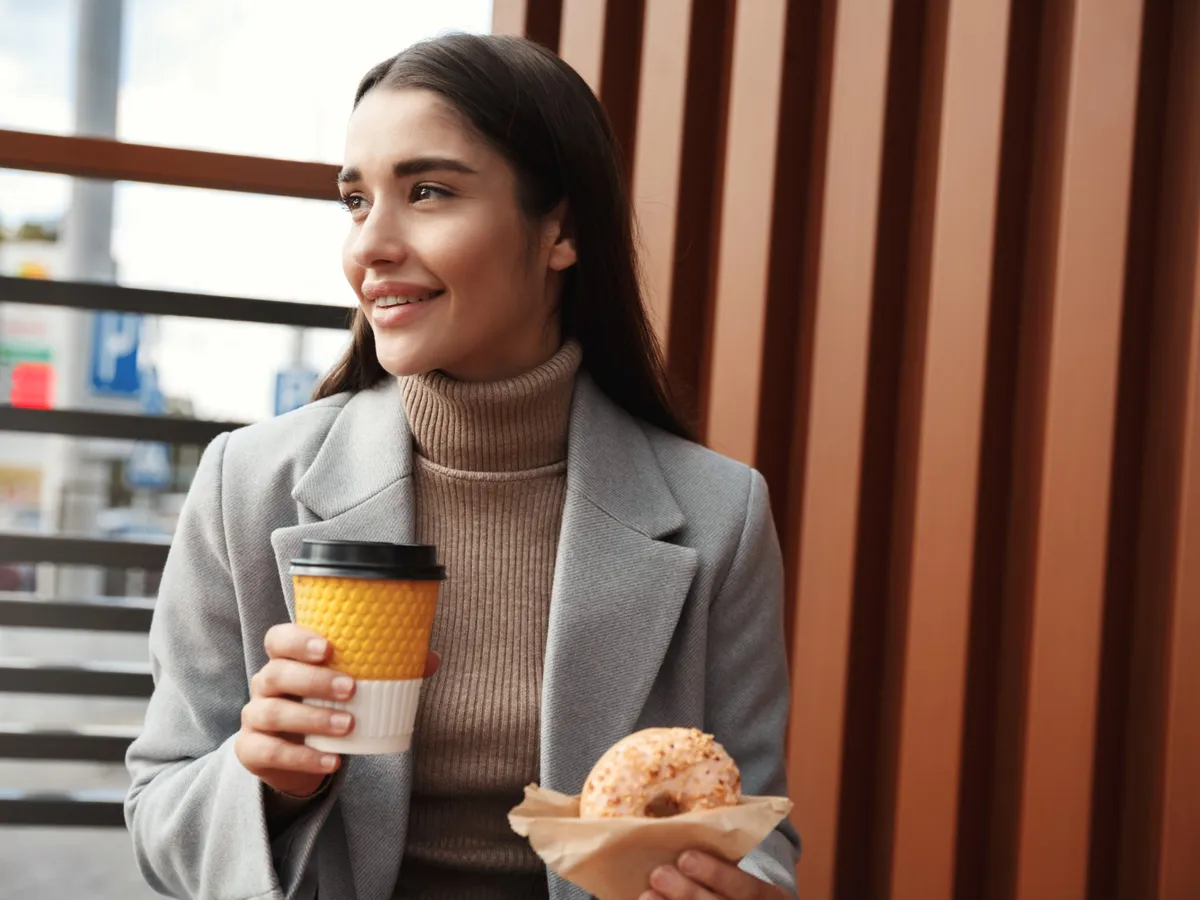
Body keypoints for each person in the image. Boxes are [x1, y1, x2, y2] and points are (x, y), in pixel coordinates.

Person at [124, 32, 799, 900]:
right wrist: (267, 781)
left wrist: (742, 887)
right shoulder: (246, 483)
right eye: (356, 201)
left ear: (560, 229)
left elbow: (760, 832)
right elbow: (159, 815)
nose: (370, 245)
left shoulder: (721, 512)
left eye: (429, 192)